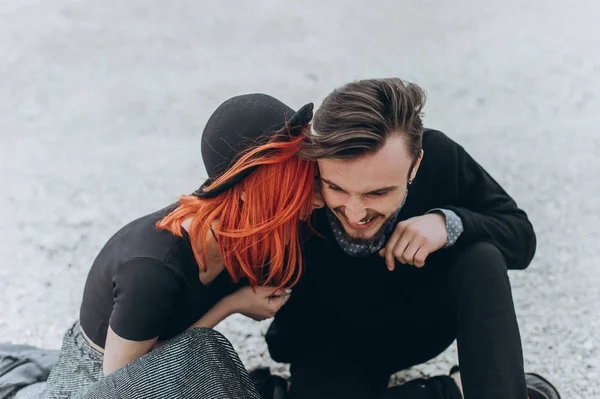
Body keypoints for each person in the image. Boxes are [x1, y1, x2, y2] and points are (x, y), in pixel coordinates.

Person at [13, 93, 324, 399]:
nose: (318, 198)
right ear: (247, 189)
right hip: (100, 385)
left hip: (164, 373)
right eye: (299, 185)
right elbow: (123, 384)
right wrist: (232, 305)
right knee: (205, 349)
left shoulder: (246, 224)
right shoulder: (151, 268)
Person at [266, 78, 561, 399]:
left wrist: (448, 223)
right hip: (328, 346)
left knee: (481, 254)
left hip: (415, 327)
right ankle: (456, 391)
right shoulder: (297, 178)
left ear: (415, 165)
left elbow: (521, 238)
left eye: (377, 192)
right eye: (336, 187)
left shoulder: (440, 157)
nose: (354, 213)